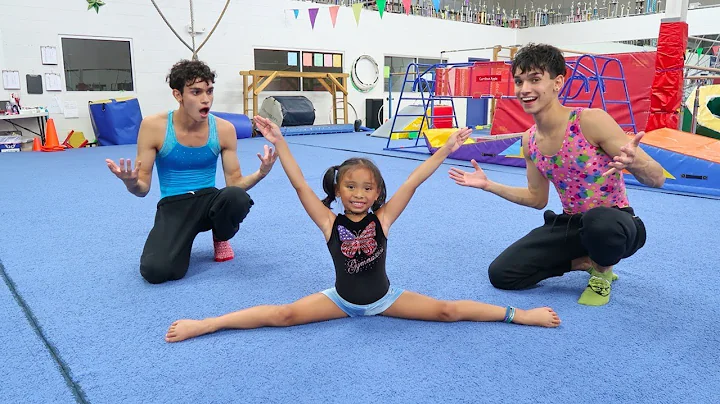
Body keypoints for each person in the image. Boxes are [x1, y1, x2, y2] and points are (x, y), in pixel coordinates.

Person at [164, 117, 561, 343]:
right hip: (340, 299)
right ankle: (208, 323)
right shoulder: (328, 222)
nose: (358, 194)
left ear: (376, 194)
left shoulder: (382, 219)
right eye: (350, 187)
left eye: (367, 189)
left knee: (447, 310)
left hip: (385, 298)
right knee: (282, 315)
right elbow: (300, 183)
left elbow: (413, 182)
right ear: (338, 189)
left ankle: (520, 315)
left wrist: (445, 150)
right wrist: (281, 141)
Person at [449, 43, 666, 306]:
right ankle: (585, 261)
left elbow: (657, 178)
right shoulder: (529, 140)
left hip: (617, 223)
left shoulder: (589, 121)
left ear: (558, 82)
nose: (524, 89)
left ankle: (602, 272)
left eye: (535, 79)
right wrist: (488, 185)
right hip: (572, 224)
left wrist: (635, 164)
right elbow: (536, 199)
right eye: (519, 81)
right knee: (502, 274)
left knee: (600, 223)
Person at [105, 60, 278, 284]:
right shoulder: (153, 126)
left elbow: (234, 182)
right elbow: (143, 189)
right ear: (178, 95)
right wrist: (130, 183)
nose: (205, 99)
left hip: (209, 201)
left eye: (209, 91)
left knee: (236, 198)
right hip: (174, 205)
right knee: (156, 271)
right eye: (196, 92)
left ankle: (221, 234)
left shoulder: (225, 129)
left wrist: (261, 173)